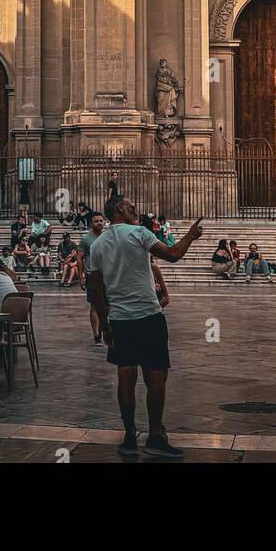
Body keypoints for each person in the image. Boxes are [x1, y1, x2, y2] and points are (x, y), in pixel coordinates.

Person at [88, 196, 203, 459]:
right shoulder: (139, 233)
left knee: (125, 377)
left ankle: (129, 437)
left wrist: (105, 326)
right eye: (130, 207)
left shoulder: (98, 245)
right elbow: (173, 255)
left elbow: (96, 290)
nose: (134, 210)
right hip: (149, 317)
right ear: (118, 209)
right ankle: (154, 437)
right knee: (156, 377)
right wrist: (191, 236)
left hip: (119, 320)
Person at [78, 211, 109, 342]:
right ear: (91, 223)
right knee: (94, 305)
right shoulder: (86, 239)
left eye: (101, 221)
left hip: (107, 274)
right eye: (96, 221)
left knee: (108, 304)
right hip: (92, 274)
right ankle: (96, 333)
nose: (99, 223)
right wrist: (81, 276)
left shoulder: (108, 236)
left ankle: (103, 325)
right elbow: (79, 259)